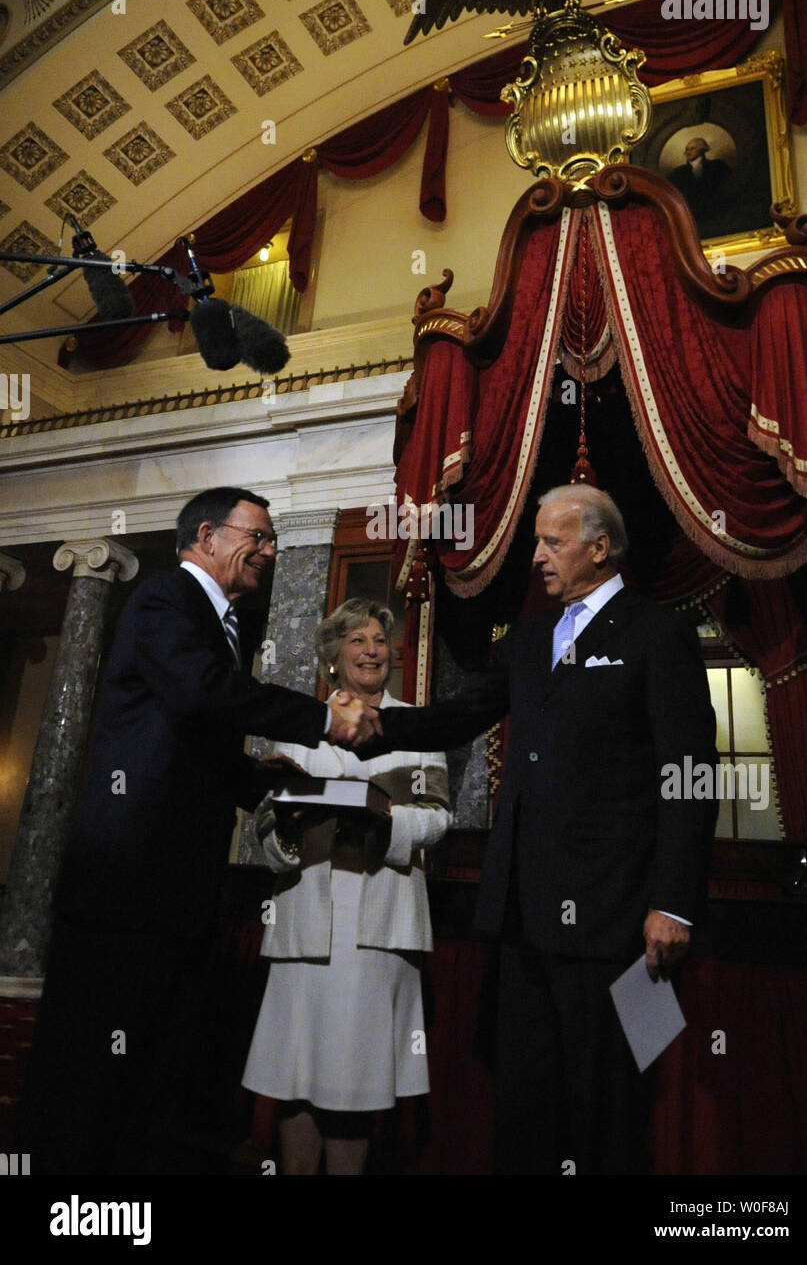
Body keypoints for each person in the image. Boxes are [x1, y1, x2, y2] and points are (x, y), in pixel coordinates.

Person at [18, 486, 376, 1175]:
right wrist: (321, 719)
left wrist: (264, 782)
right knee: (88, 1072)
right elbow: (203, 693)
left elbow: (194, 736)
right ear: (207, 536)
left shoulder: (216, 624)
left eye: (272, 540)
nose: (269, 551)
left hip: (170, 886)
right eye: (260, 536)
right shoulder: (166, 599)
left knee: (140, 1073)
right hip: (127, 884)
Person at [368, 485, 719, 1175]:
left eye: (550, 542)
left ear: (598, 546)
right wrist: (374, 725)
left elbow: (690, 775)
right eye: (535, 542)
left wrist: (673, 901)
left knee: (613, 1112)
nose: (535, 558)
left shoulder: (658, 632)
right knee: (525, 1108)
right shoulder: (529, 639)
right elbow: (462, 714)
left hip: (623, 923)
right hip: (523, 918)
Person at [242, 598, 450, 1175]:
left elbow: (438, 818)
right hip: (305, 916)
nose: (372, 651)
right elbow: (261, 828)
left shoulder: (414, 727)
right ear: (333, 657)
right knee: (295, 1073)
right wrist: (284, 827)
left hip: (378, 921)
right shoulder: (301, 728)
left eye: (380, 641)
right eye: (357, 641)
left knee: (354, 1078)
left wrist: (386, 817)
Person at [667, 136, 733, 221]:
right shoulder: (678, 172)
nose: (688, 152)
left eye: (692, 149)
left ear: (702, 150)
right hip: (691, 216)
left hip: (719, 213)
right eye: (687, 149)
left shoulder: (717, 166)